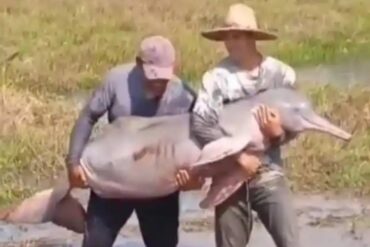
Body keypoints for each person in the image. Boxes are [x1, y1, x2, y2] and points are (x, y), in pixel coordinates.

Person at [65, 35, 204, 247]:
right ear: (139, 64)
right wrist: (73, 163)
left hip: (159, 187)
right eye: (153, 76)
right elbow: (88, 117)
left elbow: (203, 142)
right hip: (113, 180)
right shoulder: (116, 80)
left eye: (164, 78)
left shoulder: (185, 97)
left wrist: (195, 179)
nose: (159, 83)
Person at [190, 3, 300, 247]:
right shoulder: (215, 78)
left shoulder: (280, 75)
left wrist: (278, 134)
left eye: (236, 36)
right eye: (227, 37)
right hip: (228, 175)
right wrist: (239, 158)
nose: (230, 42)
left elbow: (294, 124)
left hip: (268, 172)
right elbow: (200, 124)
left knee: (291, 241)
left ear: (252, 37)